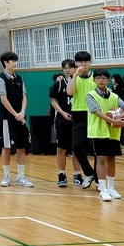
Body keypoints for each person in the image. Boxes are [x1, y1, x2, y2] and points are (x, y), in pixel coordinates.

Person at [86, 69, 124, 201]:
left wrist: (122, 115)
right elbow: (97, 112)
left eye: (104, 78)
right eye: (98, 78)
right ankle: (102, 188)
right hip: (98, 131)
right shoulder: (91, 95)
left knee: (111, 158)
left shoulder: (114, 95)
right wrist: (113, 120)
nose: (101, 80)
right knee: (100, 159)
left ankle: (111, 187)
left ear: (108, 80)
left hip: (112, 132)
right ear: (94, 80)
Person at [0, 52, 32, 187]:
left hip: (20, 117)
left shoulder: (19, 78)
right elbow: (3, 99)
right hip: (7, 118)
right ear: (6, 62)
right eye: (12, 61)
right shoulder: (0, 79)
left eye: (16, 60)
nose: (15, 63)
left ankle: (21, 177)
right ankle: (6, 176)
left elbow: (24, 97)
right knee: (6, 147)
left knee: (22, 147)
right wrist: (15, 114)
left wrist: (22, 113)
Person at [66, 50, 98, 190]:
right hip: (78, 114)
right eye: (80, 62)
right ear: (76, 64)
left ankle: (99, 179)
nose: (83, 64)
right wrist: (76, 75)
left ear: (90, 63)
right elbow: (69, 92)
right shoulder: (74, 77)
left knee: (96, 148)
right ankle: (89, 173)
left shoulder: (96, 77)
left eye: (86, 62)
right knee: (76, 146)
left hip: (95, 114)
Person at [49, 59, 82, 187]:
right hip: (62, 120)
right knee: (61, 148)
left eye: (70, 67)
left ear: (75, 68)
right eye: (65, 68)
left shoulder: (80, 82)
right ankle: (61, 174)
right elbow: (53, 101)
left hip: (77, 120)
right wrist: (62, 112)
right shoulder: (59, 84)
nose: (67, 70)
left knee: (76, 148)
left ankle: (77, 174)